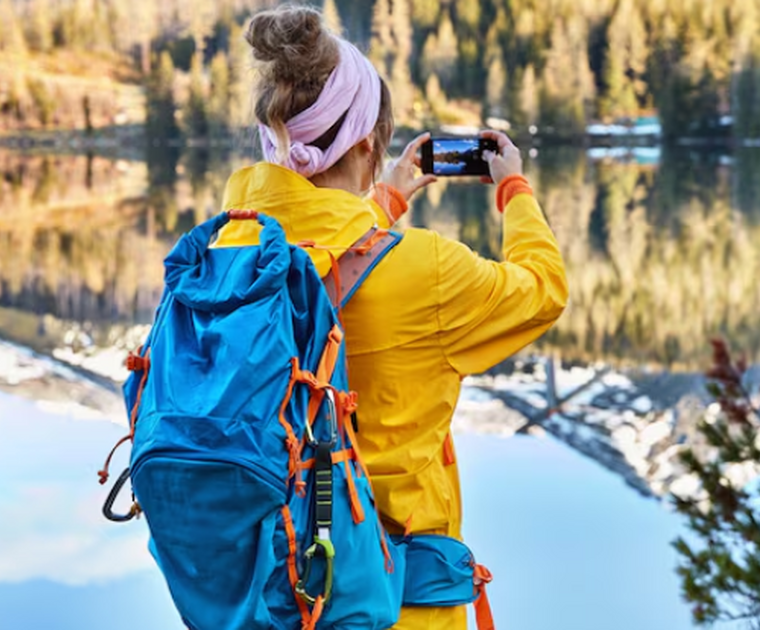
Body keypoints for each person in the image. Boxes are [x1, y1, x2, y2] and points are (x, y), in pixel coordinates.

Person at [215, 5, 568, 629]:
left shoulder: (222, 256)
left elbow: (320, 245)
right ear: (367, 142)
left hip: (265, 597)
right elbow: (543, 290)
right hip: (389, 604)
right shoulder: (427, 271)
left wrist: (392, 193)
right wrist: (514, 190)